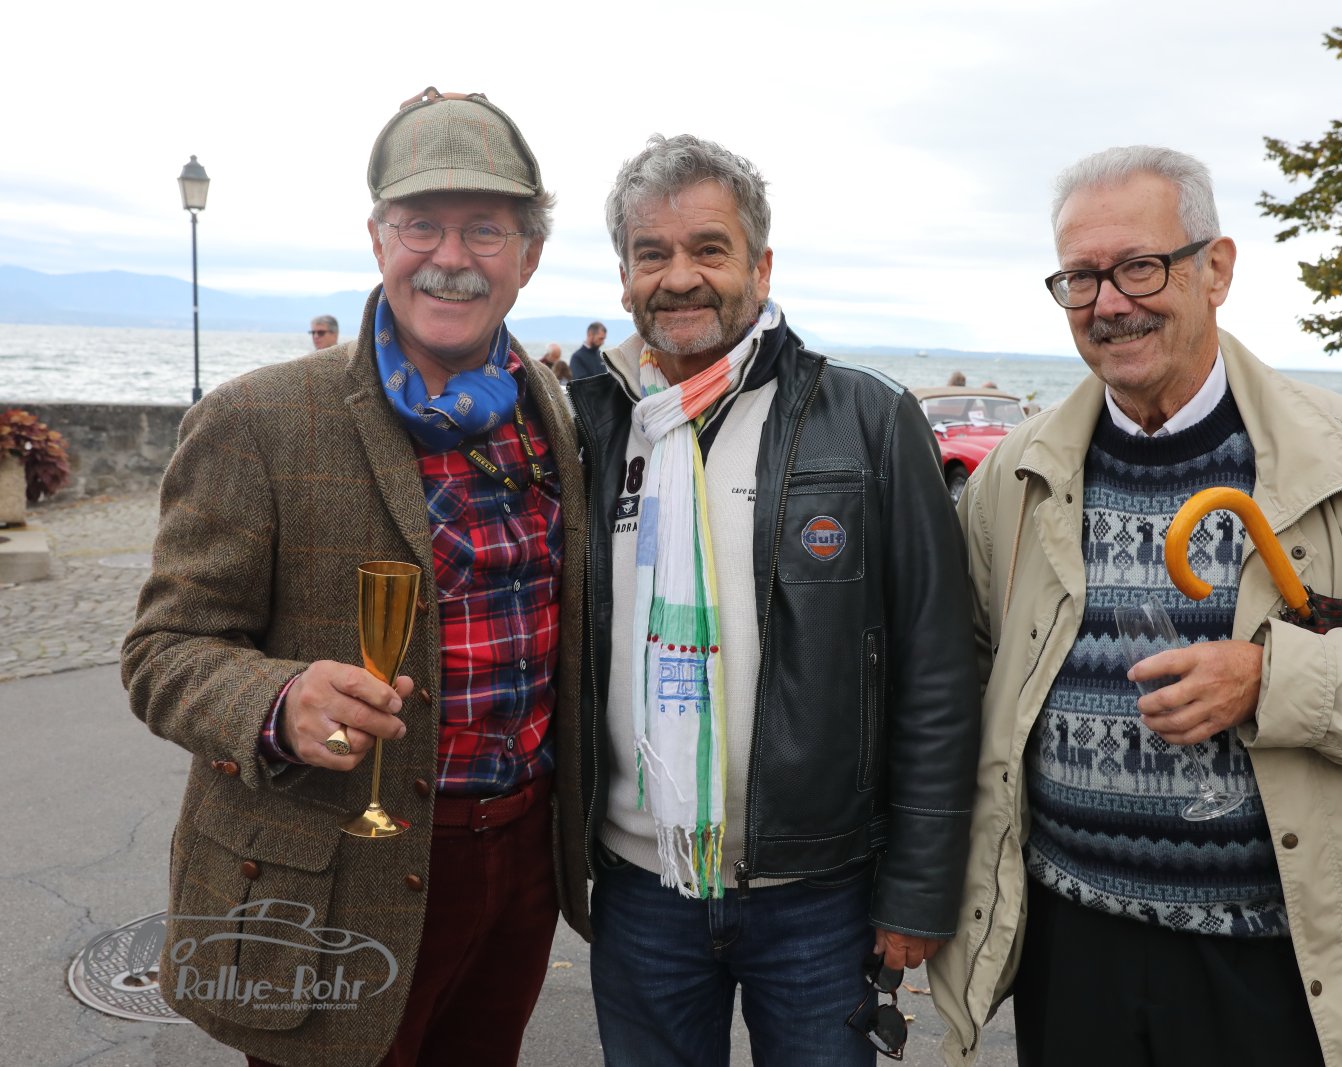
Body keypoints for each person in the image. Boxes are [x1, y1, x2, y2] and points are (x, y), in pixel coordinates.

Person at [928, 145, 1342, 1067]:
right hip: (1072, 947)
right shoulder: (1016, 473)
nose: (1109, 302)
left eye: (1139, 266)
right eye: (1081, 277)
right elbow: (956, 675)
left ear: (1217, 269)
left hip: (1278, 957)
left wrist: (1271, 679)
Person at [122, 88, 587, 1067]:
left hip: (520, 865)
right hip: (332, 878)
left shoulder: (550, 408)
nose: (451, 256)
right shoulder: (257, 420)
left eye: (485, 228)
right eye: (420, 224)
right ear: (378, 239)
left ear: (530, 254)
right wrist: (277, 698)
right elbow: (162, 651)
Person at [567, 133, 980, 1066]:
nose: (680, 276)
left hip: (819, 898)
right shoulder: (592, 425)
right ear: (623, 278)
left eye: (709, 249)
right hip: (640, 888)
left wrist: (918, 887)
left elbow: (936, 669)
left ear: (760, 266)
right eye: (652, 253)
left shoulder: (867, 419)